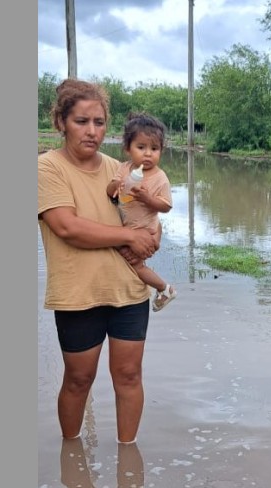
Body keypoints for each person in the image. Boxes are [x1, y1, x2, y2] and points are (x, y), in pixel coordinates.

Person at [37, 78, 159, 443]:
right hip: (79, 294)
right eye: (81, 122)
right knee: (78, 380)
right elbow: (67, 227)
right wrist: (128, 237)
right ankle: (71, 458)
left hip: (129, 291)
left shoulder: (120, 169)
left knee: (129, 376)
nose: (92, 132)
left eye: (99, 122)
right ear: (60, 122)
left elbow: (144, 216)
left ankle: (128, 459)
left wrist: (151, 238)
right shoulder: (46, 169)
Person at [106, 112, 177, 312]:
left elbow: (166, 206)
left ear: (161, 150)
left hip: (146, 230)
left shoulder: (160, 177)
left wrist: (148, 199)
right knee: (127, 261)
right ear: (128, 149)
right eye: (141, 147)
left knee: (136, 266)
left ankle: (165, 288)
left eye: (154, 149)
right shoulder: (124, 169)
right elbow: (109, 192)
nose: (148, 154)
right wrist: (116, 184)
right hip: (129, 227)